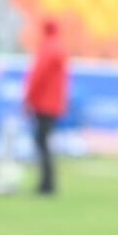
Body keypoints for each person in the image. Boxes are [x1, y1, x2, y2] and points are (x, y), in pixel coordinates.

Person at [24, 18, 68, 196]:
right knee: (44, 142)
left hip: (43, 104)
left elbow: (37, 77)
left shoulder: (47, 49)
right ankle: (48, 183)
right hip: (54, 104)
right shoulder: (59, 47)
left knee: (42, 142)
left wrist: (29, 98)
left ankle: (46, 184)